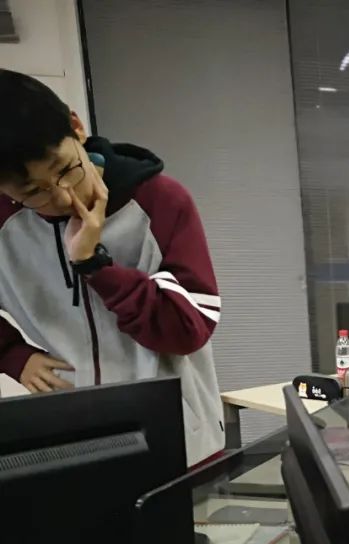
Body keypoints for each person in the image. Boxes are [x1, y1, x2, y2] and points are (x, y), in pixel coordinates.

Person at [0, 70, 223, 467]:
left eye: (65, 169)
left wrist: (96, 266)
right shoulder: (5, 227)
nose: (62, 198)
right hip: (72, 439)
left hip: (180, 436)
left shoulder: (159, 201)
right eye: (33, 192)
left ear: (76, 126)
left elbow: (188, 330)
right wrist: (13, 356)